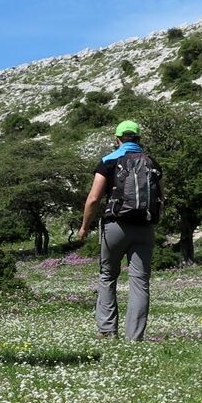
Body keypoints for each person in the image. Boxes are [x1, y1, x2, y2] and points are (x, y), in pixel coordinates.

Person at [78, 120, 162, 341]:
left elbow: (94, 198)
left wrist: (84, 227)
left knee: (107, 276)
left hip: (115, 226)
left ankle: (107, 331)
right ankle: (134, 337)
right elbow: (161, 196)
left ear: (117, 139)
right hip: (144, 227)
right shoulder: (152, 163)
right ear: (138, 139)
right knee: (140, 281)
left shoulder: (109, 160)